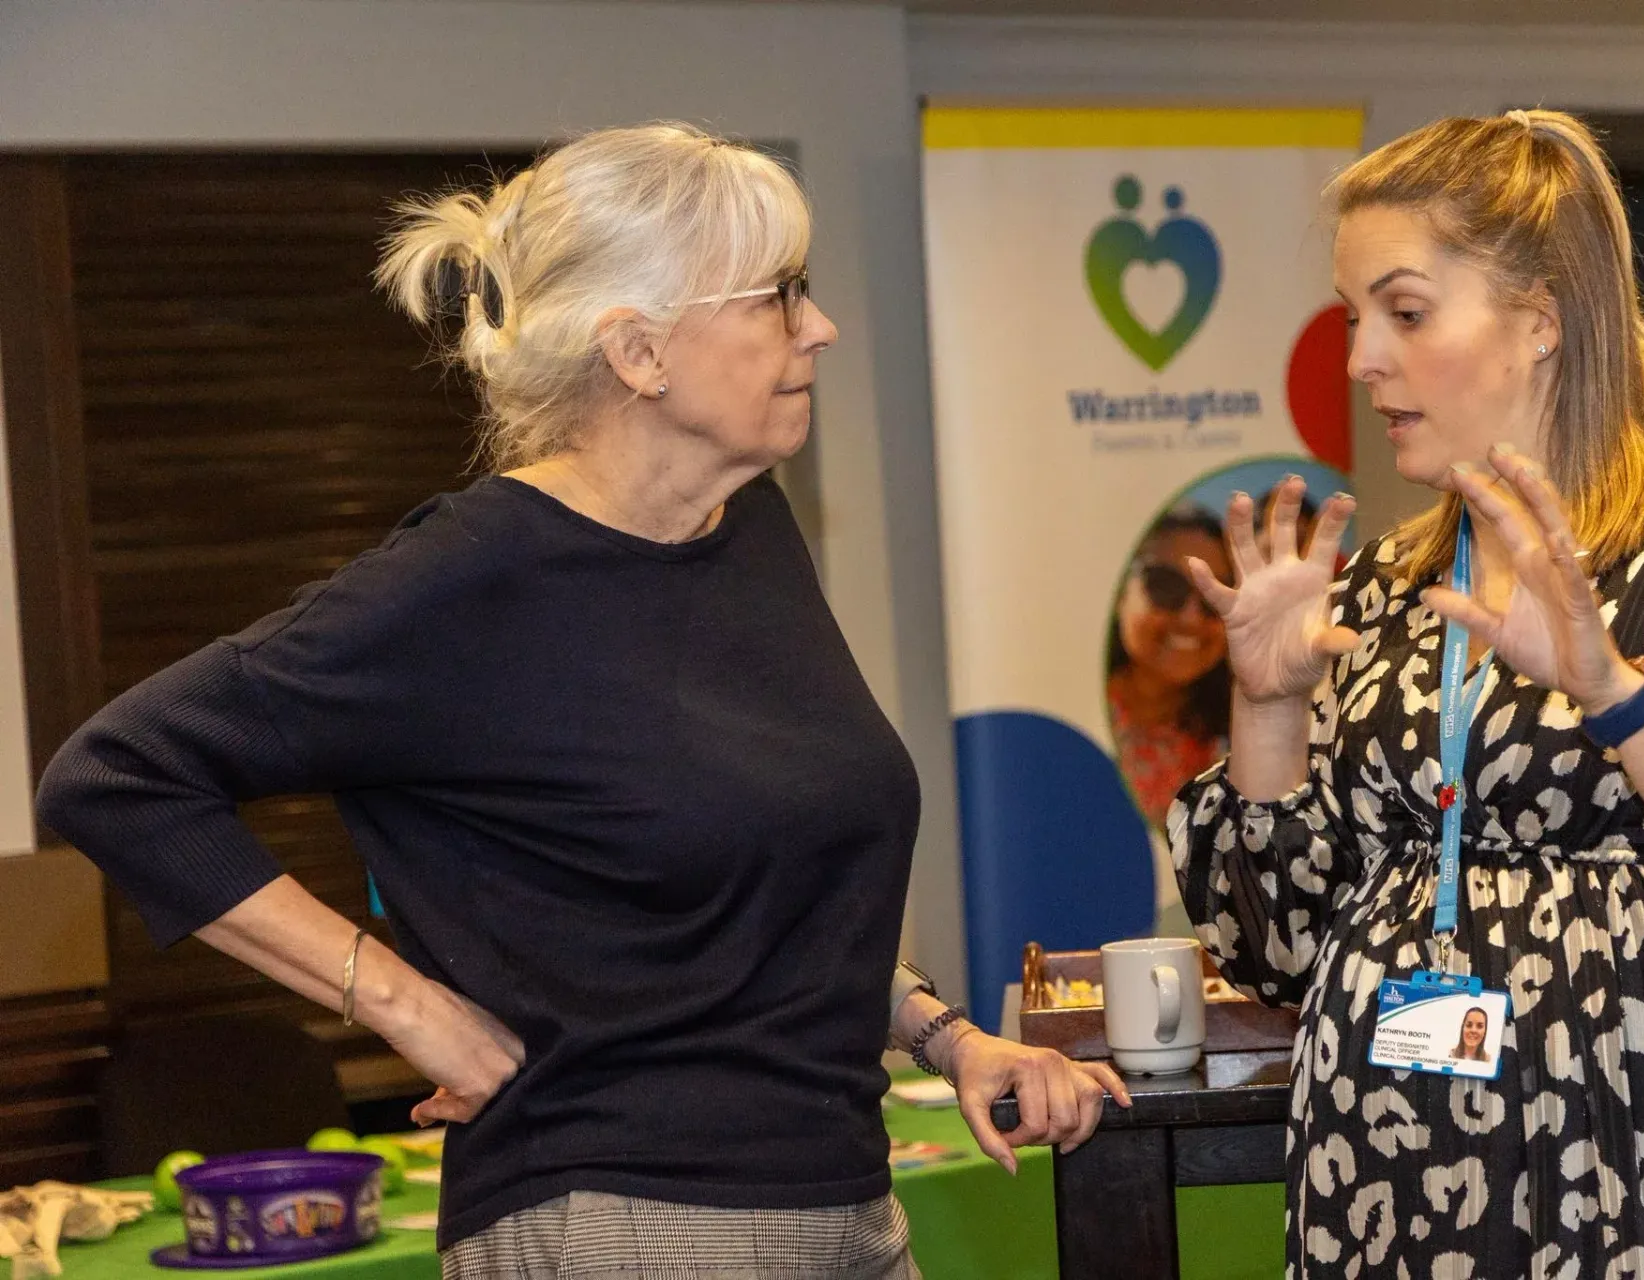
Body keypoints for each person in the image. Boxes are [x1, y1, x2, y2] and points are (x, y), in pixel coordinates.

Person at [36, 122, 1128, 1280]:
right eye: (779, 296)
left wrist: (943, 1036)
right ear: (638, 352)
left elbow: (763, 888)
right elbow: (116, 776)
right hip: (619, 1220)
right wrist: (405, 1004)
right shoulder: (469, 579)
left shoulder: (746, 525)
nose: (821, 327)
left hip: (845, 1202)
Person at [1171, 109, 1644, 1277]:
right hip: (1392, 1193)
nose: (1361, 357)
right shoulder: (1386, 585)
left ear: (1541, 323)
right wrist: (1266, 705)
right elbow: (1276, 948)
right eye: (1356, 315)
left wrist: (1616, 694)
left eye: (1403, 311)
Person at [1106, 504, 1232, 828]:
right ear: (1120, 591)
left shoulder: (1240, 737)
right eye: (1166, 587)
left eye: (1215, 596)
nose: (1191, 617)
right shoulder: (1067, 705)